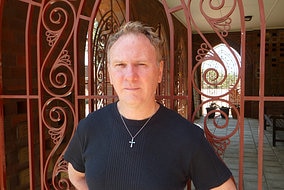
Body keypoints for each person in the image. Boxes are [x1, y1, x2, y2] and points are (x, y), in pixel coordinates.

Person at [64, 21, 236, 190]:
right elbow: (76, 175)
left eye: (141, 64)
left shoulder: (185, 135)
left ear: (159, 71)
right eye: (120, 65)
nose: (130, 76)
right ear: (109, 72)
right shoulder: (90, 127)